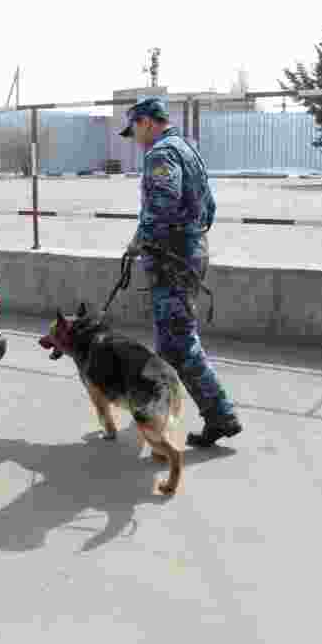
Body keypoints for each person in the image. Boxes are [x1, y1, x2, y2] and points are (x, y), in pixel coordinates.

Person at [119, 97, 242, 447]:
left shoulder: (160, 153)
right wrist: (188, 238)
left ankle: (221, 415)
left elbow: (162, 205)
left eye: (135, 130)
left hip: (172, 259)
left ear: (146, 122)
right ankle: (159, 410)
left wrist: (143, 241)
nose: (135, 138)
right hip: (189, 251)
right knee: (168, 344)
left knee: (180, 343)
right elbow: (209, 207)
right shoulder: (187, 149)